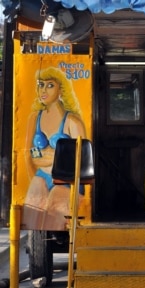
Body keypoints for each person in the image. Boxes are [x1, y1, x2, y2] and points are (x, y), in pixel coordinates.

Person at [22, 66, 86, 230]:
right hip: (41, 175)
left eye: (50, 85)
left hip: (67, 181)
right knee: (33, 211)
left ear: (61, 90)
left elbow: (83, 157)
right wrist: (57, 155)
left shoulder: (73, 120)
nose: (43, 90)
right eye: (40, 85)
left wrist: (47, 156)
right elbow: (28, 154)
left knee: (54, 208)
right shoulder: (34, 118)